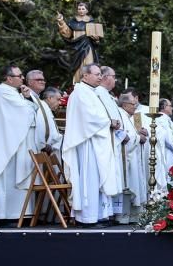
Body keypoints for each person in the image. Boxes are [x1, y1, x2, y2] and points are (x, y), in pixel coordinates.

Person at [0, 64, 39, 226]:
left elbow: (31, 109)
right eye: (19, 76)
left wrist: (27, 98)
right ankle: (4, 216)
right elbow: (25, 113)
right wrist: (27, 102)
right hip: (7, 146)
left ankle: (18, 215)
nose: (22, 78)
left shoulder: (14, 93)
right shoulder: (3, 92)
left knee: (16, 179)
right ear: (9, 78)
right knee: (8, 179)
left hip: (16, 143)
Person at [61, 63, 118, 226]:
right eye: (97, 74)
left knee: (97, 179)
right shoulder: (80, 93)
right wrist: (109, 122)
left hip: (96, 142)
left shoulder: (91, 92)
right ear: (85, 76)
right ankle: (87, 217)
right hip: (87, 145)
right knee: (90, 180)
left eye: (101, 74)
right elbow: (90, 118)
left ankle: (99, 215)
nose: (101, 77)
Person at [96, 66, 129, 198]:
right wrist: (121, 134)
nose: (115, 80)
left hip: (115, 140)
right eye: (113, 77)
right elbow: (104, 119)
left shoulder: (106, 95)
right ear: (105, 77)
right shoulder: (98, 93)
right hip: (107, 141)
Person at [116, 92, 149, 223]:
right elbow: (122, 135)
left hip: (135, 157)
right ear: (124, 104)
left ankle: (134, 216)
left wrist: (142, 132)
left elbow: (134, 132)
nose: (135, 107)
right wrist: (137, 137)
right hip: (126, 158)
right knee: (127, 186)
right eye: (133, 104)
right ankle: (123, 217)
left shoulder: (132, 116)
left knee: (136, 183)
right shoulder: (119, 114)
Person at [56, 2, 103, 83]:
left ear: (87, 10)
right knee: (77, 68)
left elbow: (97, 40)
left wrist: (96, 39)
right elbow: (68, 33)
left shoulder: (91, 22)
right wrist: (61, 21)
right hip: (75, 47)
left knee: (88, 65)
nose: (81, 10)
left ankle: (89, 83)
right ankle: (78, 83)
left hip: (87, 47)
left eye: (83, 9)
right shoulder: (73, 21)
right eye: (79, 9)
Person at [25, 70, 63, 154]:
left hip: (46, 148)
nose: (43, 82)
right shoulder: (26, 99)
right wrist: (43, 144)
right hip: (31, 146)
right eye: (39, 79)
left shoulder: (41, 102)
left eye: (43, 80)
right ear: (29, 82)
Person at [154, 98, 173, 181]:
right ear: (164, 107)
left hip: (167, 152)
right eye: (170, 106)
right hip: (167, 153)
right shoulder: (163, 120)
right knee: (168, 178)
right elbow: (169, 140)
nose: (172, 108)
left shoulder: (164, 119)